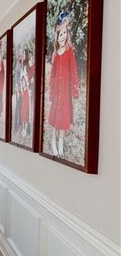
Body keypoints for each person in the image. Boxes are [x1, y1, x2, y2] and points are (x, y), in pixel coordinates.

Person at [48, 12, 79, 156]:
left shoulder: (69, 51)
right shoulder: (55, 54)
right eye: (60, 33)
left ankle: (61, 139)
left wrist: (75, 90)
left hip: (65, 91)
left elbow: (73, 71)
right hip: (56, 92)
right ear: (57, 35)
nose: (62, 36)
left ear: (67, 34)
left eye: (64, 33)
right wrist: (50, 92)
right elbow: (52, 75)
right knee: (55, 116)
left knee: (63, 116)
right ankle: (53, 139)